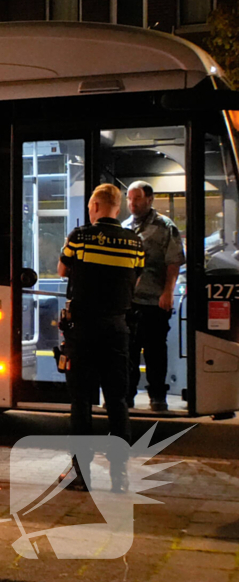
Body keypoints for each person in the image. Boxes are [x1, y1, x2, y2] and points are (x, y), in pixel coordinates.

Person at [58, 183, 145, 493]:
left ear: (94, 206)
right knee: (117, 402)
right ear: (118, 208)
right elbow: (135, 279)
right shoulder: (135, 242)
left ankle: (81, 475)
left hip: (83, 330)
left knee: (81, 402)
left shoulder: (79, 237)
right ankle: (119, 475)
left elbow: (61, 271)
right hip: (117, 330)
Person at [122, 181, 185, 412]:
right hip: (129, 301)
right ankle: (126, 397)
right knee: (128, 351)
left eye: (136, 198)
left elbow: (174, 261)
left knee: (155, 352)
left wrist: (168, 292)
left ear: (149, 199)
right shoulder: (125, 226)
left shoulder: (165, 227)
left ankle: (158, 397)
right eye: (129, 199)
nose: (132, 203)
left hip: (154, 300)